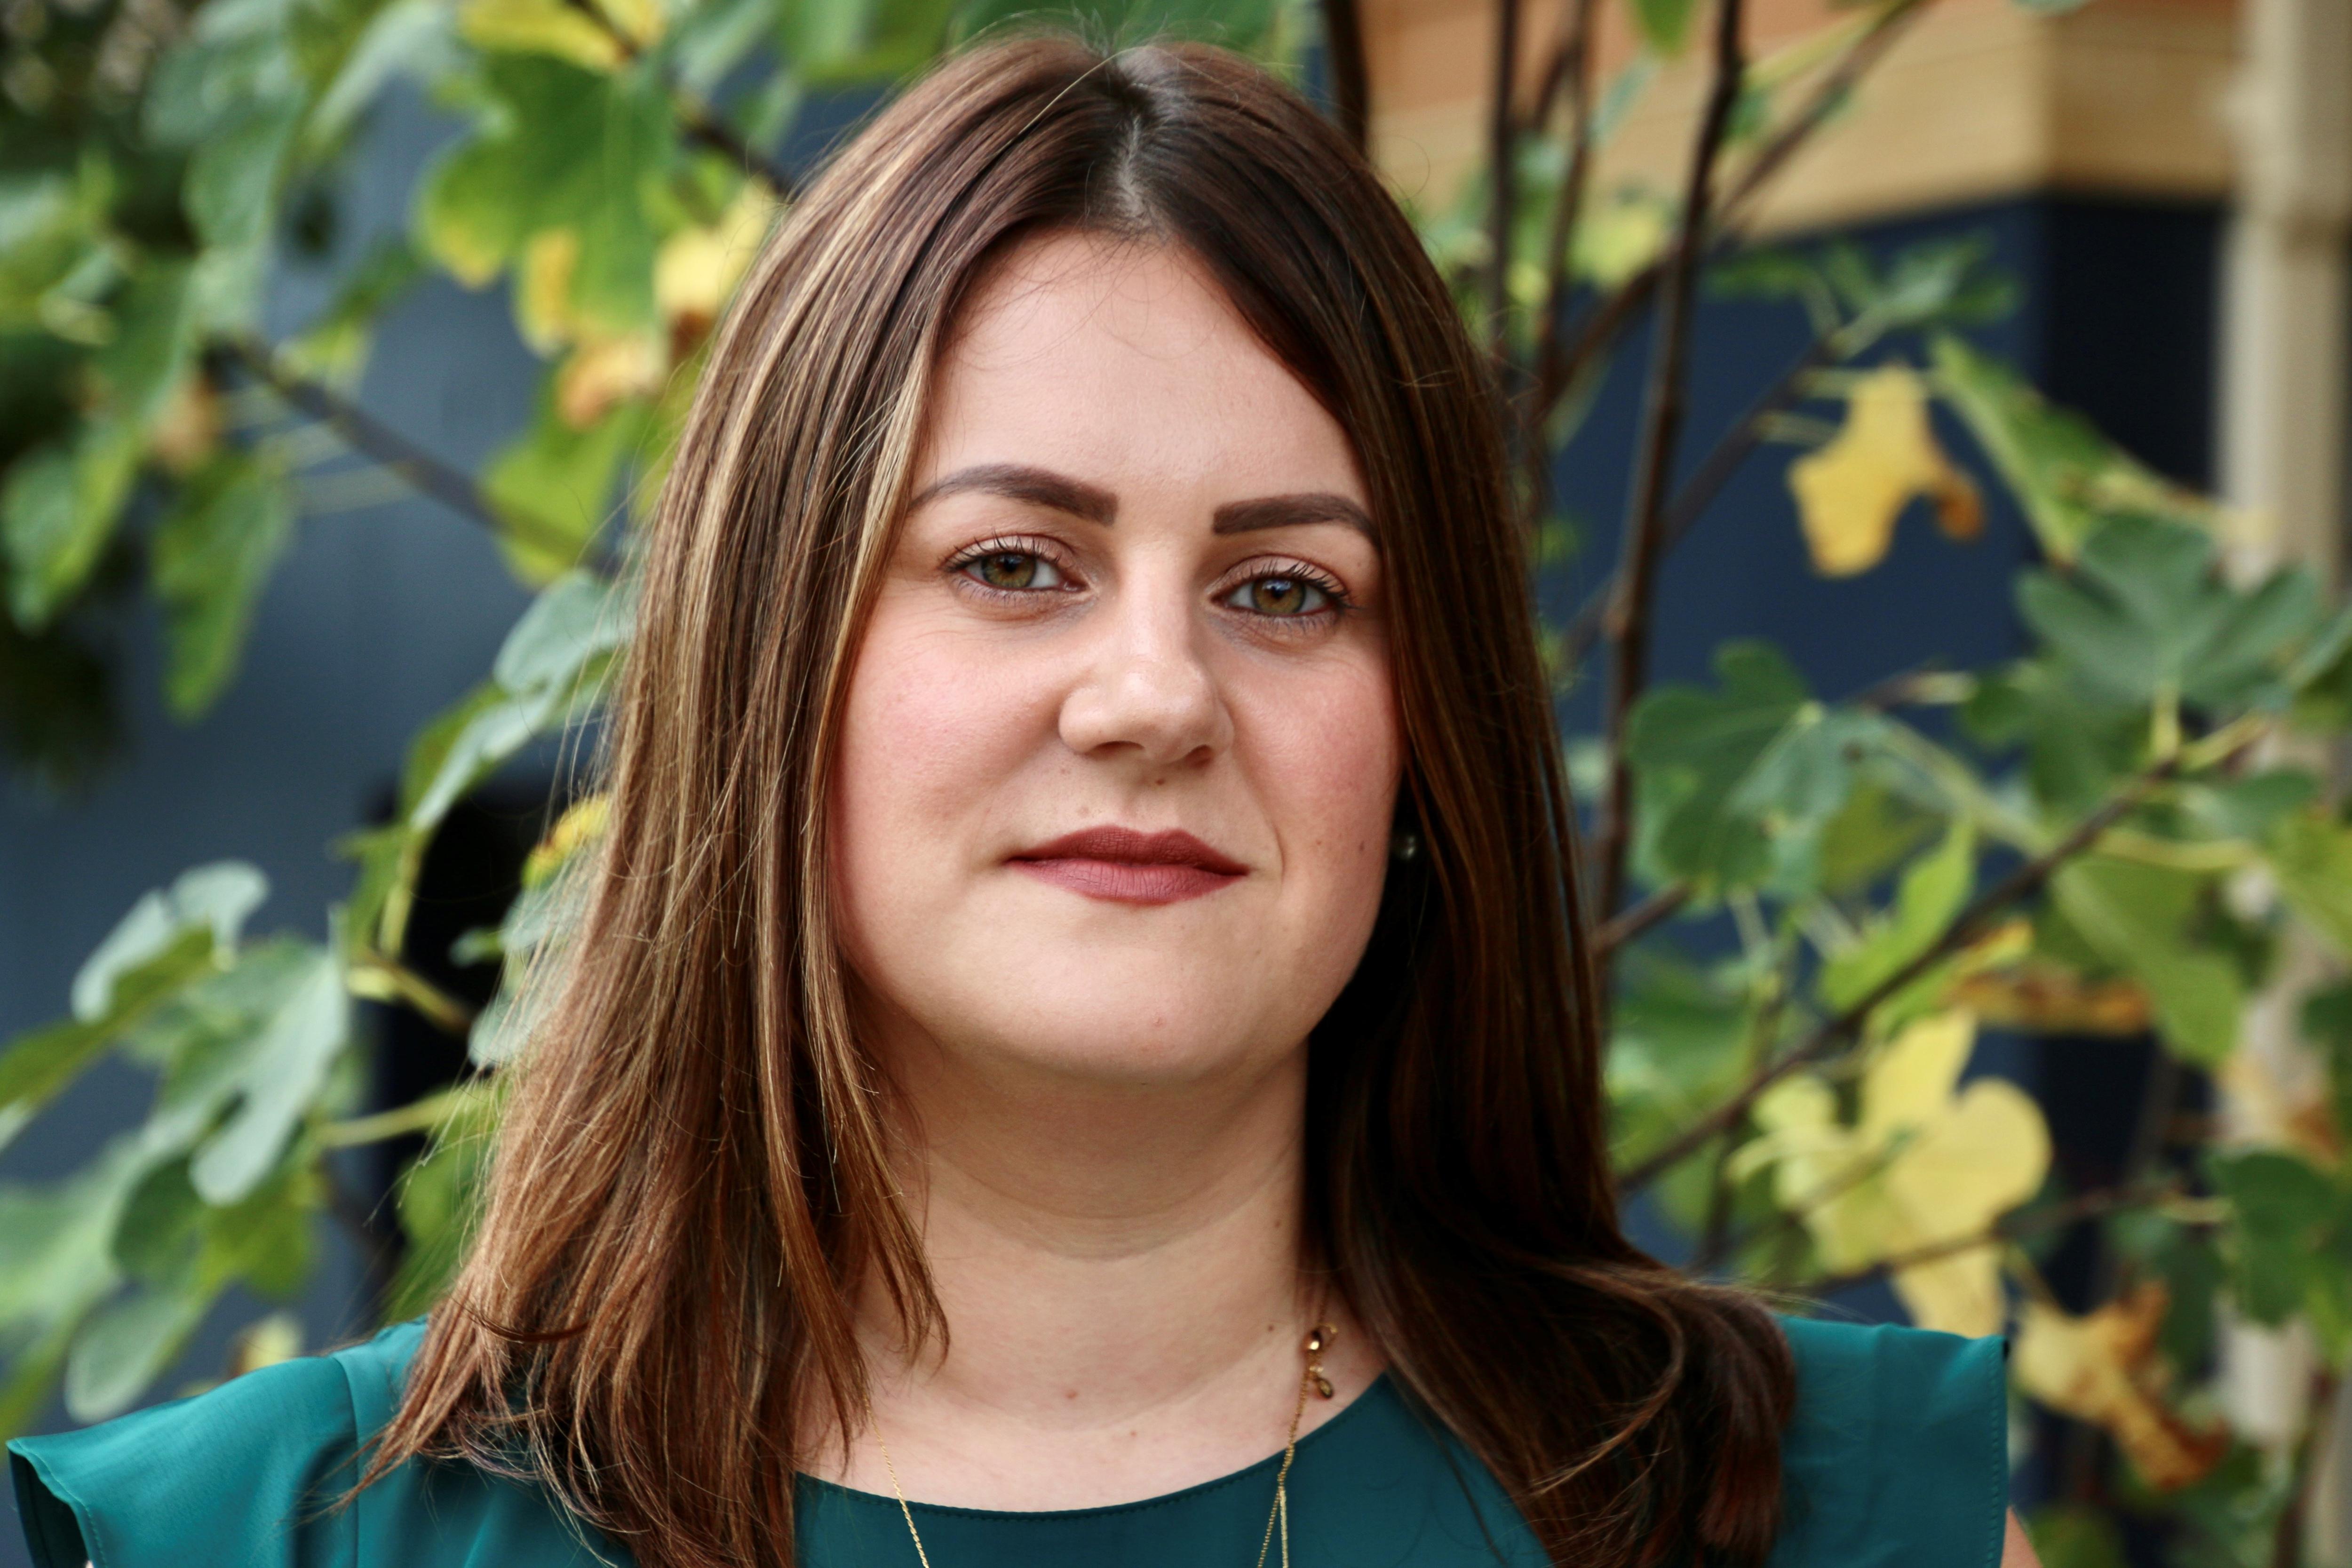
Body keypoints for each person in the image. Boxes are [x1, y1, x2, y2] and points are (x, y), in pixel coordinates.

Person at [8, 33, 2040, 1568]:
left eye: (1283, 591)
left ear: (1420, 739)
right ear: (766, 672)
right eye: (1011, 564)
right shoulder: (216, 1543)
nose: (1154, 694)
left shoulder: (1819, 1516)